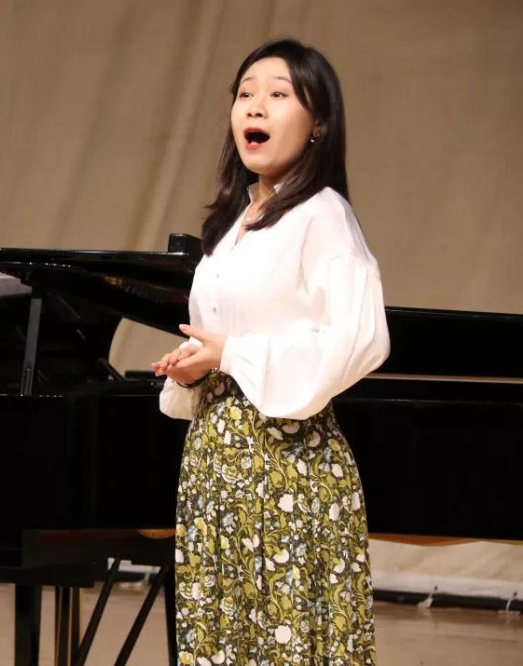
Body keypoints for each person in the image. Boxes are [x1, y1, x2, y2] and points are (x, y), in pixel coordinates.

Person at [151, 38, 390, 665]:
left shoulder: (322, 215)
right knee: (224, 641)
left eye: (278, 95)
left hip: (284, 468)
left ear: (318, 124)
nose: (254, 106)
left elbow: (359, 338)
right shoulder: (235, 223)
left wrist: (233, 354)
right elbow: (225, 339)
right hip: (217, 465)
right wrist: (196, 367)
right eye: (245, 94)